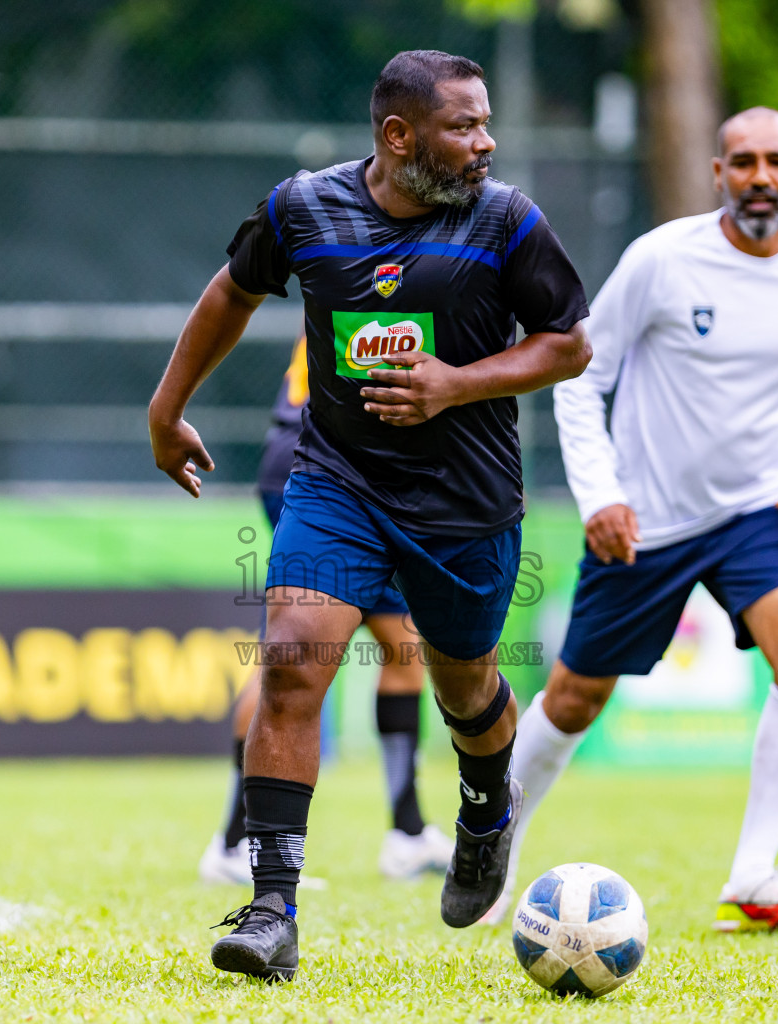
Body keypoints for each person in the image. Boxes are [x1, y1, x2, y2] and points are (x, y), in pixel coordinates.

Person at [149, 49, 590, 980]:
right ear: (399, 136)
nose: (486, 141)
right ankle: (271, 907)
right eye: (464, 126)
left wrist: (455, 384)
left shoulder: (507, 219)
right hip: (336, 480)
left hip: (465, 503)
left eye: (485, 123)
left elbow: (568, 346)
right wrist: (168, 406)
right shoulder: (302, 208)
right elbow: (233, 289)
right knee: (292, 663)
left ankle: (483, 809)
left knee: (464, 687)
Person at [489, 106, 778, 932]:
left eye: (775, 162)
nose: (759, 177)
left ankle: (756, 874)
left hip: (758, 512)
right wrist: (601, 497)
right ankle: (491, 849)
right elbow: (582, 376)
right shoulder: (661, 260)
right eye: (742, 162)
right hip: (646, 518)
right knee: (577, 695)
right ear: (717, 172)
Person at [198, 335, 455, 886]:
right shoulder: (399, 281)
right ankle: (234, 839)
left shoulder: (346, 272)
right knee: (304, 653)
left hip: (314, 465)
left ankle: (406, 832)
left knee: (395, 646)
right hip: (333, 472)